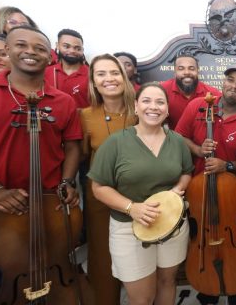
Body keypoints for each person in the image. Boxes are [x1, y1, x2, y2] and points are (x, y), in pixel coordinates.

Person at [88, 82, 193, 305]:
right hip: (128, 228)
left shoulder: (176, 141)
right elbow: (99, 187)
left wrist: (175, 193)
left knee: (167, 282)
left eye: (160, 102)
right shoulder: (115, 143)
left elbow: (186, 172)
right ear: (136, 107)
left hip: (172, 224)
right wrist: (132, 208)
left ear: (166, 109)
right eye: (146, 101)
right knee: (142, 298)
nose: (153, 107)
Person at [175, 66, 236, 305]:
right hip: (198, 192)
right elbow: (179, 135)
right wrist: (198, 150)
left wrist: (226, 166)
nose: (234, 86)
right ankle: (207, 288)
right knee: (202, 240)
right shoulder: (197, 106)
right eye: (230, 80)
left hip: (234, 194)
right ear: (223, 82)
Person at [0, 25, 81, 214]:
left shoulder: (64, 102)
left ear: (49, 57)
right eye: (21, 45)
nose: (30, 51)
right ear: (7, 50)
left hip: (49, 200)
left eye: (40, 49)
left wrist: (66, 182)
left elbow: (72, 147)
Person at [80, 53, 137, 304]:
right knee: (103, 261)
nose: (109, 79)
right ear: (93, 81)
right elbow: (81, 159)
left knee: (140, 262)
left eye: (114, 73)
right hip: (101, 202)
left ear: (124, 78)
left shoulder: (142, 110)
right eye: (101, 74)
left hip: (140, 200)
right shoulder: (84, 116)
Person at [160, 54, 220, 129]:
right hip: (175, 139)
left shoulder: (213, 94)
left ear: (198, 70)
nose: (187, 72)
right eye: (181, 69)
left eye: (191, 69)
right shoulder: (162, 90)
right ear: (175, 71)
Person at [45, 29, 89, 109]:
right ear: (57, 45)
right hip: (52, 120)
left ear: (82, 50)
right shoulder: (46, 72)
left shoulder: (91, 74)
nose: (72, 51)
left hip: (82, 121)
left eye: (77, 48)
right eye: (66, 46)